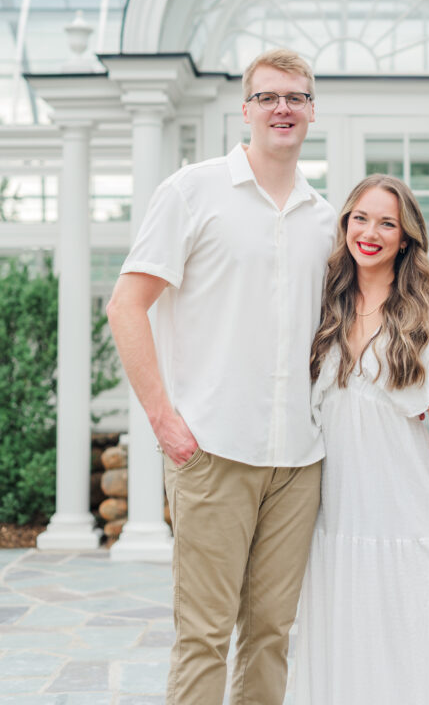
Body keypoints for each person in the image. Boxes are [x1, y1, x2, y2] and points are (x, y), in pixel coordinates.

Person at [106, 48, 336, 705]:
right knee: (204, 633)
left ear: (312, 110)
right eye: (268, 97)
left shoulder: (325, 217)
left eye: (295, 96)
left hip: (298, 461)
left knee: (270, 632)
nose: (282, 108)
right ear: (246, 110)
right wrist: (161, 416)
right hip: (210, 451)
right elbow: (127, 305)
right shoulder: (192, 191)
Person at [294, 174, 429, 705]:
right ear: (345, 224)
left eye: (387, 223)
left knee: (406, 640)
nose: (370, 232)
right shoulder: (328, 303)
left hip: (404, 508)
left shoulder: (426, 307)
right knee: (343, 643)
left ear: (405, 236)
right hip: (337, 513)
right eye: (360, 218)